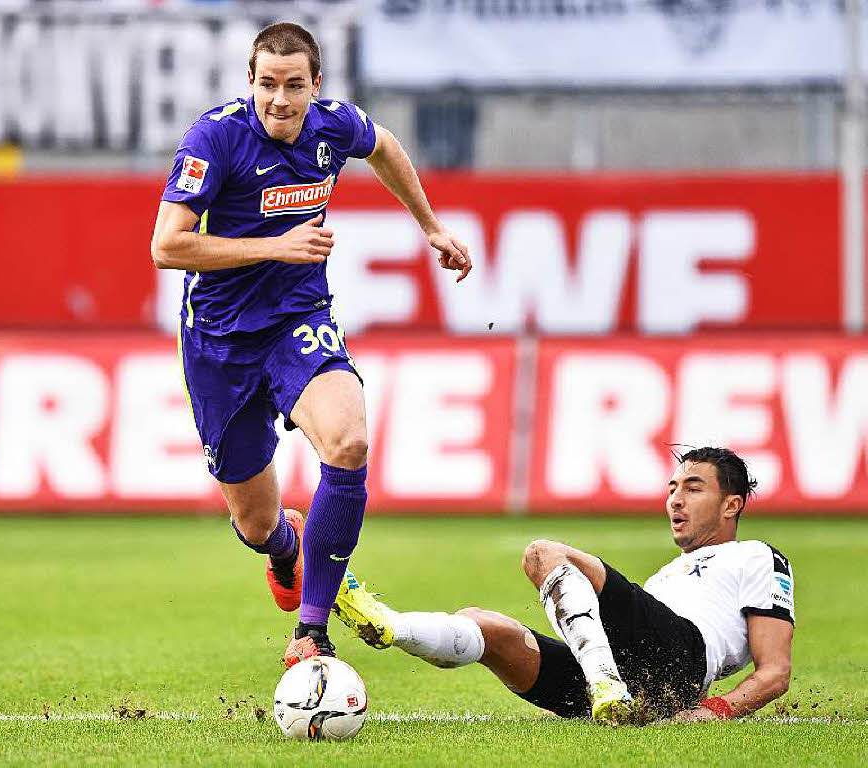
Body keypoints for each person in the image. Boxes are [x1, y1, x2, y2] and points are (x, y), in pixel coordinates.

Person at [150, 22, 471, 668]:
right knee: (256, 523)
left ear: (315, 85)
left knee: (349, 442)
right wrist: (275, 245)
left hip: (299, 318)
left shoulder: (333, 126)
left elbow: (384, 146)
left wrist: (431, 226)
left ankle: (313, 630)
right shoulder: (215, 138)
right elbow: (166, 246)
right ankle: (288, 552)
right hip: (220, 342)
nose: (279, 100)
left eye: (294, 86)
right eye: (267, 84)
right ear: (250, 82)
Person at [333, 447, 795, 723]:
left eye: (693, 488)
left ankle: (604, 684)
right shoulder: (666, 576)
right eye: (673, 487)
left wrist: (717, 710)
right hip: (645, 689)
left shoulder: (757, 556)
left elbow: (775, 671)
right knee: (482, 625)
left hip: (683, 659)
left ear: (732, 504)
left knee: (542, 554)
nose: (675, 498)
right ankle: (388, 624)